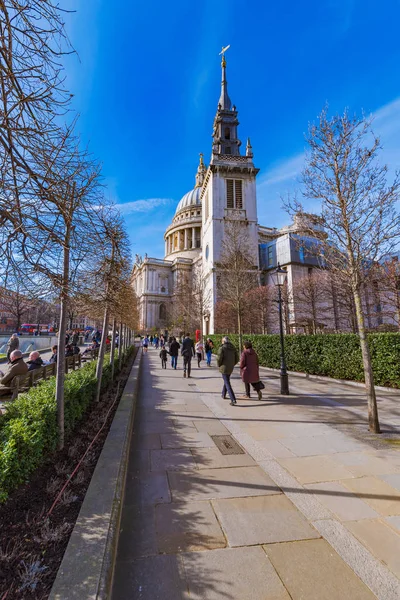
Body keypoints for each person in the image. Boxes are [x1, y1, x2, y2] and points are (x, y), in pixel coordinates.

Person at [217, 336, 239, 406]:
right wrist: (232, 364)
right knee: (226, 380)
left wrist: (219, 365)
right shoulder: (233, 348)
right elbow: (237, 358)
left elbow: (219, 358)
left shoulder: (222, 348)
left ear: (223, 341)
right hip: (230, 367)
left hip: (224, 367)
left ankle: (233, 399)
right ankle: (223, 394)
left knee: (227, 382)